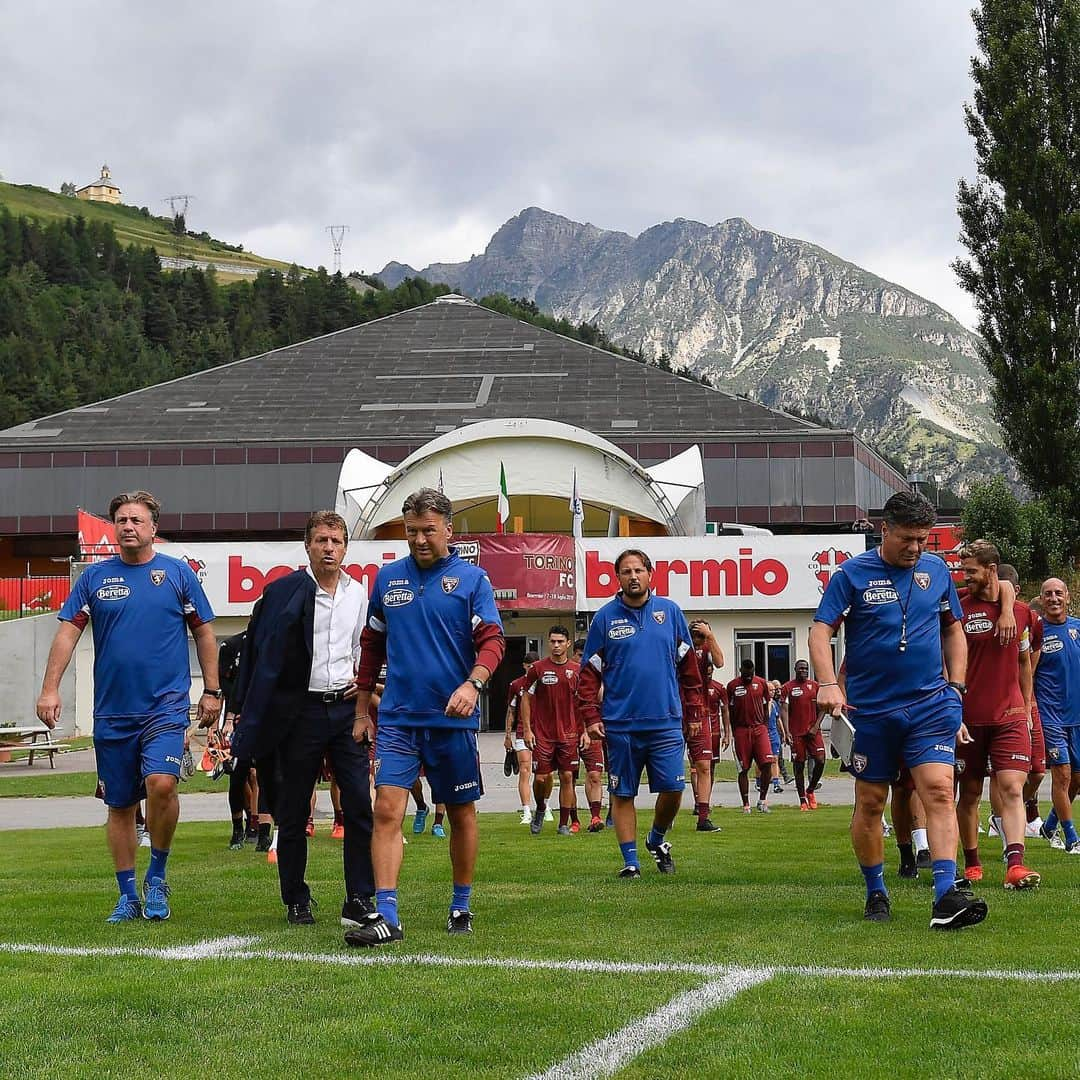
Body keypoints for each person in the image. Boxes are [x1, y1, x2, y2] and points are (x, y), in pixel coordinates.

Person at [36, 490, 221, 923]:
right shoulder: (93, 579)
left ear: (154, 528)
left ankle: (157, 876)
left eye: (136, 520)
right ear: (113, 527)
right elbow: (68, 633)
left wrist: (211, 690)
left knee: (161, 783)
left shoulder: (178, 574)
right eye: (120, 520)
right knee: (119, 805)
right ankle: (127, 895)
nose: (128, 526)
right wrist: (50, 689)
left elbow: (206, 633)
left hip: (165, 708)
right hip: (113, 712)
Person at [809, 489, 987, 930]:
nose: (915, 548)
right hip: (871, 712)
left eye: (923, 540)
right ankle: (876, 890)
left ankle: (946, 895)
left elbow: (953, 631)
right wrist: (828, 683)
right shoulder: (851, 575)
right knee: (871, 802)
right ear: (883, 529)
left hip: (929, 705)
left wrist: (957, 688)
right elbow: (819, 631)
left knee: (940, 792)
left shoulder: (936, 573)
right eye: (907, 538)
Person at [346, 488, 505, 945]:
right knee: (386, 809)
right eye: (411, 531)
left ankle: (460, 904)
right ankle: (388, 914)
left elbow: (493, 641)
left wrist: (472, 684)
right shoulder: (387, 579)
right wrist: (362, 710)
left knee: (461, 814)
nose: (418, 539)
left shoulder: (472, 581)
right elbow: (372, 647)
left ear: (449, 531)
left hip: (451, 721)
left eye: (428, 531)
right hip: (397, 717)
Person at [229, 510, 374, 925]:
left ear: (346, 547)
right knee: (293, 811)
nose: (329, 548)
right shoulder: (284, 593)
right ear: (307, 545)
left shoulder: (358, 594)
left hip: (346, 710)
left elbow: (360, 647)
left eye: (337, 541)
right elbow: (262, 653)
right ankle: (295, 897)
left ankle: (359, 898)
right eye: (322, 541)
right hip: (301, 712)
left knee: (360, 805)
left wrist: (361, 688)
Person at [576, 549, 704, 877]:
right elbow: (588, 673)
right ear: (617, 578)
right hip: (620, 725)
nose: (633, 576)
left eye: (639, 570)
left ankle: (656, 838)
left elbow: (690, 670)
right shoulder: (604, 618)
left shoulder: (670, 613)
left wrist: (693, 712)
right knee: (622, 793)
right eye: (626, 572)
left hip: (666, 722)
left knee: (674, 789)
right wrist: (590, 716)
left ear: (650, 574)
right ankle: (630, 862)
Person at [955, 541, 1040, 888]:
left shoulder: (1020, 613)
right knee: (970, 792)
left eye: (971, 571)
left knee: (1012, 788)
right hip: (969, 718)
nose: (966, 577)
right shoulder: (958, 611)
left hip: (1009, 716)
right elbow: (948, 665)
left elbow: (1024, 661)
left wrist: (1026, 705)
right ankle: (973, 862)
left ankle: (1015, 863)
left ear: (990, 570)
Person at [1032, 578, 1080, 854]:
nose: (1053, 598)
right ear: (1041, 598)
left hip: (1077, 716)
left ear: (1067, 597)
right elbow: (1027, 672)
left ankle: (1049, 825)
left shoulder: (1077, 628)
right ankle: (1072, 837)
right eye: (1048, 594)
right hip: (1052, 717)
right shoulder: (1038, 632)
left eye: (1058, 593)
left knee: (1076, 779)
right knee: (1061, 775)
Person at [522, 626, 582, 836]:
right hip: (543, 735)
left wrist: (583, 731)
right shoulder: (537, 669)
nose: (556, 645)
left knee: (567, 777)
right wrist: (527, 730)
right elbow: (526, 699)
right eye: (552, 641)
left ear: (567, 644)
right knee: (540, 778)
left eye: (560, 642)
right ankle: (540, 808)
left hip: (569, 735)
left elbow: (582, 702)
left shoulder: (576, 670)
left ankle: (563, 824)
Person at [726, 660, 775, 813]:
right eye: (746, 675)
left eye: (751, 674)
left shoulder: (761, 683)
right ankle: (746, 804)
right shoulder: (732, 685)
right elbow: (729, 709)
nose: (748, 677)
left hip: (759, 728)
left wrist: (765, 725)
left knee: (767, 763)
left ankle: (762, 800)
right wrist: (733, 731)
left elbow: (768, 705)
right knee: (743, 768)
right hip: (741, 730)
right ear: (741, 671)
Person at [687, 620, 722, 831]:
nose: (699, 638)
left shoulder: (708, 647)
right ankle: (667, 812)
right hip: (678, 711)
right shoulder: (682, 648)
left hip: (702, 713)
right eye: (696, 634)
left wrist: (710, 636)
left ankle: (703, 817)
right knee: (672, 763)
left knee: (704, 765)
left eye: (702, 634)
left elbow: (720, 662)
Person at [780, 660, 825, 812]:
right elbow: (784, 710)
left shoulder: (815, 686)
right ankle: (802, 799)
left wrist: (816, 726)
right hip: (796, 733)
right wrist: (787, 732)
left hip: (813, 731)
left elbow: (823, 708)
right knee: (799, 765)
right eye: (800, 669)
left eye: (805, 668)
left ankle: (810, 789)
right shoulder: (788, 687)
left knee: (820, 760)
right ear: (795, 670)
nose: (803, 671)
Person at [504, 652, 539, 825]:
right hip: (521, 732)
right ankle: (526, 810)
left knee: (543, 774)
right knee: (525, 770)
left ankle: (543, 806)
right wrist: (507, 735)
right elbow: (511, 711)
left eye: (534, 665)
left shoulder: (544, 684)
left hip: (542, 731)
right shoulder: (516, 685)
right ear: (524, 666)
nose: (531, 668)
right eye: (529, 665)